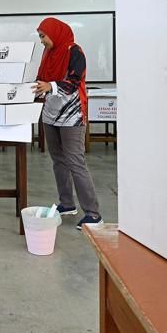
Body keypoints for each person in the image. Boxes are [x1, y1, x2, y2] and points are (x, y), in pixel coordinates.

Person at [32, 17, 102, 230]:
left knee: (75, 161)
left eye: (43, 36)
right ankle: (67, 204)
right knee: (58, 160)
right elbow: (42, 80)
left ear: (55, 33)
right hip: (50, 114)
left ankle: (93, 214)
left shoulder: (74, 51)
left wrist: (50, 86)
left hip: (72, 115)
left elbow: (73, 82)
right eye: (40, 37)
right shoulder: (48, 54)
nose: (41, 41)